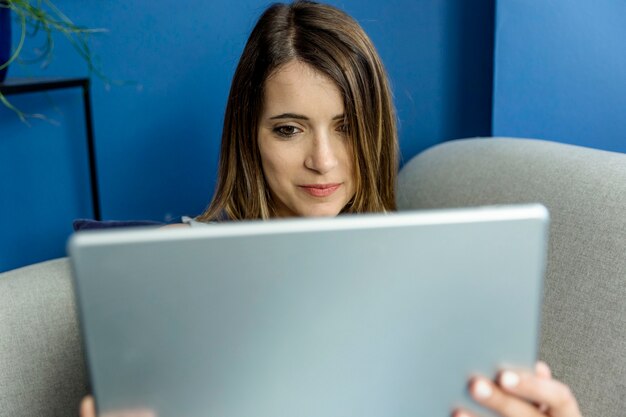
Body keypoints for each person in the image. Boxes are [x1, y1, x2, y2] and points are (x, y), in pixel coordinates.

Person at [81, 2, 583, 416]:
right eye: (288, 129)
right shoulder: (173, 282)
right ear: (249, 137)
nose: (322, 161)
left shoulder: (431, 276)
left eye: (345, 127)